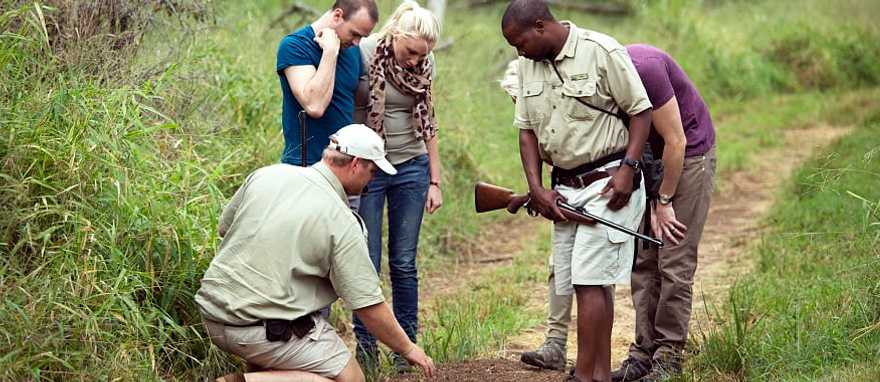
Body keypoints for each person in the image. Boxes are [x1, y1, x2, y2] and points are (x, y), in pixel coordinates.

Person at [515, 44, 717, 382]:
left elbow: (676, 142)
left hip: (686, 154)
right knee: (642, 260)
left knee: (673, 257)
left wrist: (664, 200)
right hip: (640, 159)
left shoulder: (646, 68)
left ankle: (669, 355)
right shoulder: (587, 76)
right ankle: (642, 352)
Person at [195, 124, 436, 382]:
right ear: (355, 164)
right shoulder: (341, 220)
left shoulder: (267, 174)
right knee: (351, 379)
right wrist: (408, 348)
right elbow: (368, 305)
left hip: (213, 313)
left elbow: (225, 228)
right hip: (260, 327)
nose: (373, 179)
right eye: (373, 170)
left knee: (281, 346)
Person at [501, 1, 653, 381]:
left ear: (540, 26)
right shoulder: (525, 67)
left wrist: (628, 169)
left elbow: (640, 111)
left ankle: (585, 375)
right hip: (562, 189)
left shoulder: (601, 51)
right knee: (578, 280)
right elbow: (526, 133)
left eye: (519, 42)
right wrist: (536, 190)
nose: (517, 52)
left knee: (590, 282)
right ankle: (597, 373)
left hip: (607, 182)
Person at [348, 1, 443, 372]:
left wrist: (435, 179)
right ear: (395, 36)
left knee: (404, 262)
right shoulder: (363, 52)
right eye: (411, 52)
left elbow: (430, 121)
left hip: (411, 165)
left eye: (424, 55)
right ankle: (366, 350)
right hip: (367, 168)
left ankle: (406, 350)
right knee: (365, 262)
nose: (416, 61)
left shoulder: (426, 63)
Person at [276, 0, 379, 167]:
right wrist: (330, 53)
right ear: (337, 16)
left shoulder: (352, 50)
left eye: (362, 37)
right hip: (306, 165)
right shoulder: (295, 46)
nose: (357, 42)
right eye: (354, 34)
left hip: (344, 164)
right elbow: (314, 106)